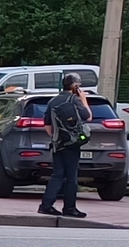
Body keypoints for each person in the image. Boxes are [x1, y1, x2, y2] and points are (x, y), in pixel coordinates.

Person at [39, 78, 92, 218]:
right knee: (71, 177)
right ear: (75, 86)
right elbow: (88, 116)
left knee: (57, 174)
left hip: (57, 144)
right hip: (72, 144)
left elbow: (47, 125)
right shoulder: (74, 100)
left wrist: (57, 138)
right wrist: (83, 99)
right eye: (79, 85)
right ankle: (69, 208)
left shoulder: (53, 101)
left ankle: (46, 205)